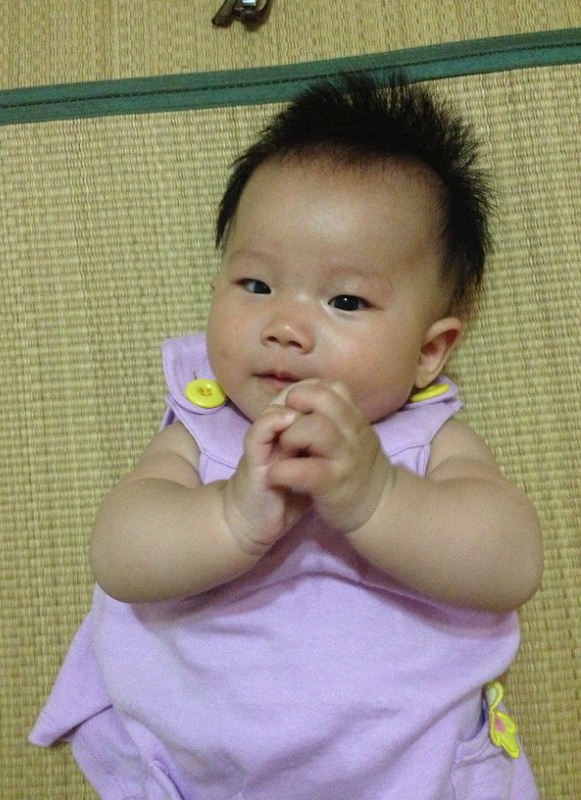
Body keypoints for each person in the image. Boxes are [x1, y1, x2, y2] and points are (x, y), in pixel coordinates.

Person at [30, 73, 543, 799]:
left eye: (345, 300)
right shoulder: (205, 427)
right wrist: (230, 515)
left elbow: (510, 565)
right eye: (256, 286)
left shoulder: (427, 440)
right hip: (198, 767)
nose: (286, 326)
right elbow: (119, 556)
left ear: (429, 351)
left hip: (413, 771)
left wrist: (377, 497)